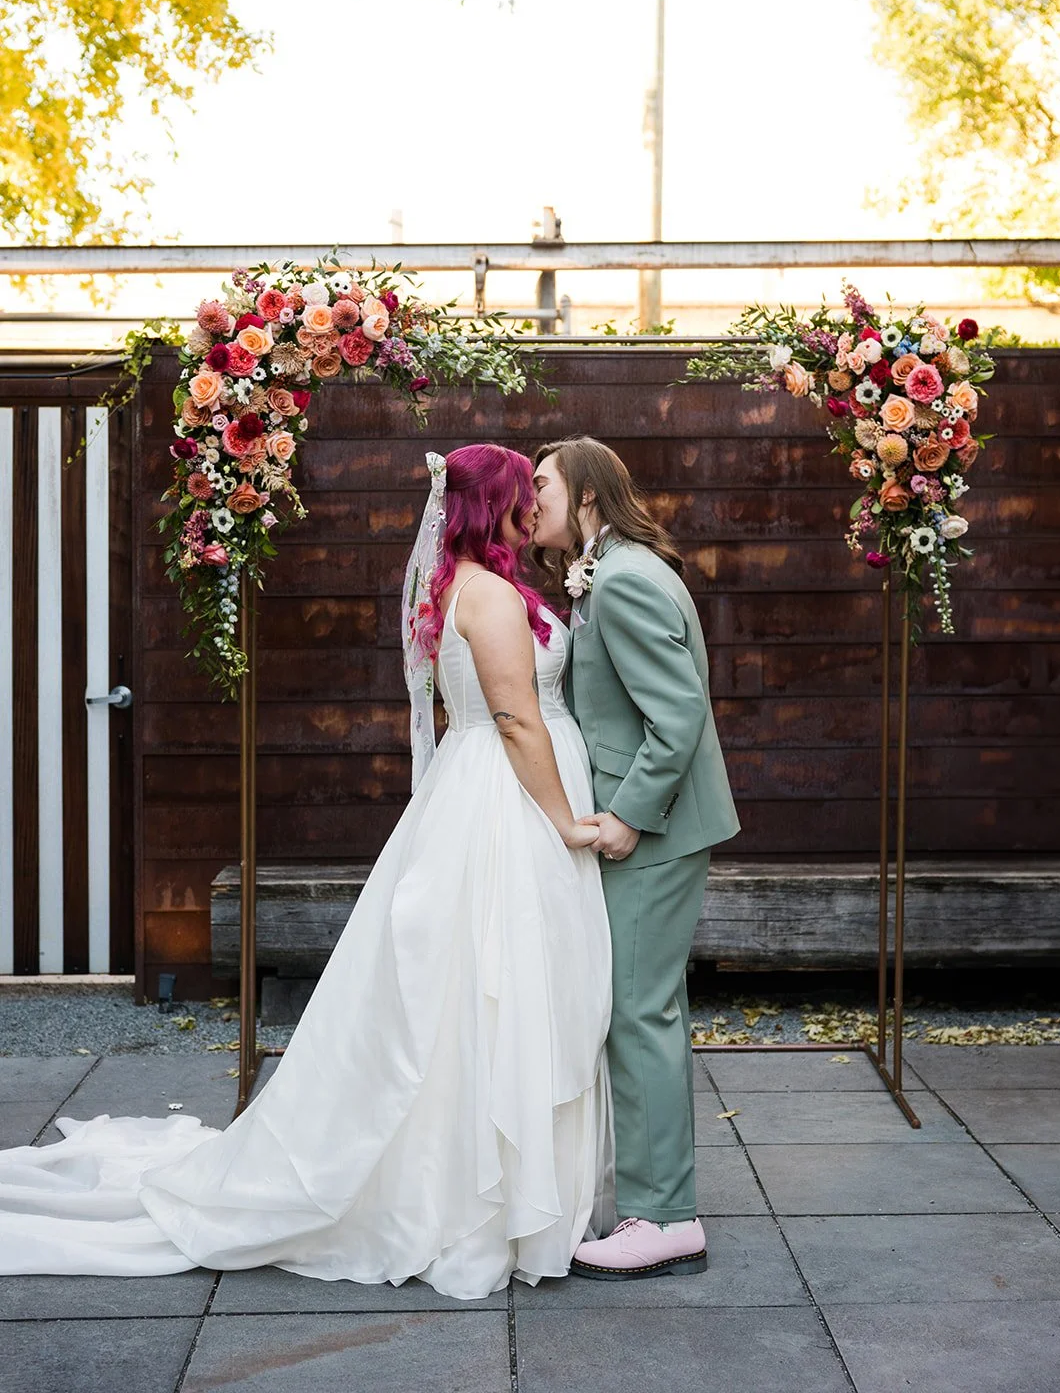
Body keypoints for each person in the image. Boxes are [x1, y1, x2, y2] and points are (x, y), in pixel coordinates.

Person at [0, 444, 613, 1301]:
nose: (531, 508)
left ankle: (475, 1180)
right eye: (522, 494)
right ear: (494, 507)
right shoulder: (495, 597)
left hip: (475, 793)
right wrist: (565, 822)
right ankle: (480, 1198)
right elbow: (514, 719)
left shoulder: (454, 588)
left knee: (466, 994)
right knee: (495, 986)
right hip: (509, 802)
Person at [532, 436, 740, 1279]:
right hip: (652, 826)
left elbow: (679, 714)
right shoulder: (607, 570)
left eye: (542, 485)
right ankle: (657, 1202)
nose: (529, 501)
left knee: (638, 1011)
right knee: (643, 1008)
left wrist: (625, 814)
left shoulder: (621, 579)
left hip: (653, 832)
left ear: (587, 495)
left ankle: (664, 1218)